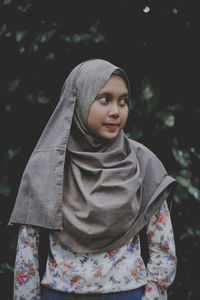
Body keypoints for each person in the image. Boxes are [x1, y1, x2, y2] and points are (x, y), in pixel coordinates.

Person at [9, 59, 177, 300]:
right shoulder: (49, 165)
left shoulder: (143, 163)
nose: (116, 111)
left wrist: (153, 295)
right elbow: (28, 251)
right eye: (105, 99)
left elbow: (163, 245)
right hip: (60, 293)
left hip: (127, 294)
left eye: (124, 101)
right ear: (79, 101)